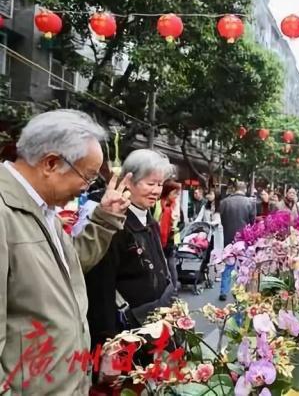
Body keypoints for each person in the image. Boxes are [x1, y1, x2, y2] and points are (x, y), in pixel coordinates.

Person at [0, 109, 131, 395]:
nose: (87, 188)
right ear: (50, 163)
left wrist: (105, 219)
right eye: (87, 177)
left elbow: (67, 268)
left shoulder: (43, 209)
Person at [84, 150, 175, 372]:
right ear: (129, 181)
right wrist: (107, 344)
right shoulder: (115, 224)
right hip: (127, 334)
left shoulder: (149, 220)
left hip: (154, 328)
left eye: (160, 184)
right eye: (150, 183)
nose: (156, 191)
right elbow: (100, 289)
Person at [218, 181, 256, 301]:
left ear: (234, 189)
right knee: (242, 266)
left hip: (228, 237)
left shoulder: (224, 202)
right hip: (243, 238)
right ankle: (240, 289)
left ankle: (224, 291)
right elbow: (252, 222)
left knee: (228, 265)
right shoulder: (250, 202)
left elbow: (222, 220)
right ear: (244, 189)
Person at [154, 179, 182, 290]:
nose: (176, 195)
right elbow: (154, 220)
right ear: (167, 191)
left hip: (171, 238)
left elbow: (178, 221)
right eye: (174, 193)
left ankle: (174, 287)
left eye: (178, 193)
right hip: (158, 237)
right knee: (160, 263)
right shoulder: (157, 204)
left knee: (171, 263)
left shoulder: (175, 205)